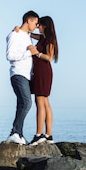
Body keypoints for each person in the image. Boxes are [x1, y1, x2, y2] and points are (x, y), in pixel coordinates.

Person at [5, 10, 40, 144]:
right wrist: (28, 53)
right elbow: (9, 56)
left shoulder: (26, 35)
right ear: (29, 21)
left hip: (26, 75)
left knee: (22, 104)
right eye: (35, 23)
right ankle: (14, 132)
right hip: (18, 73)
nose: (36, 26)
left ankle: (18, 133)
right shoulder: (15, 35)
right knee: (26, 103)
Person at [28, 15, 59, 145]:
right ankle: (48, 135)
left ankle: (39, 134)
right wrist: (20, 29)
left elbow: (49, 57)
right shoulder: (43, 38)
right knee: (45, 103)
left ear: (45, 26)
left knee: (40, 102)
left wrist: (36, 53)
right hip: (41, 71)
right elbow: (30, 34)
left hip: (43, 72)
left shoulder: (49, 39)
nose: (37, 26)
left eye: (39, 24)